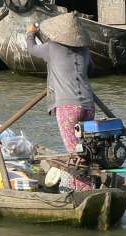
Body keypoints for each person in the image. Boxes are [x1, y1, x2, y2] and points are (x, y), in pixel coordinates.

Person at [25, 12, 94, 155]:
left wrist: (30, 34)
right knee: (87, 148)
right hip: (88, 105)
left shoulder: (52, 47)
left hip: (68, 107)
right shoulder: (85, 50)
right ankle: (89, 173)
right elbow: (91, 68)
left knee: (75, 153)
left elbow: (31, 49)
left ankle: (80, 177)